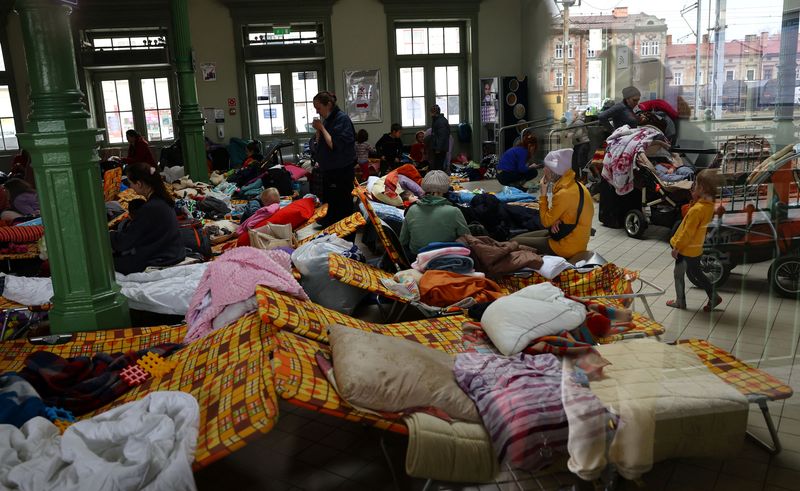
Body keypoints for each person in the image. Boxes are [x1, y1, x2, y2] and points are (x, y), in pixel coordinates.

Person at [512, 148, 593, 258]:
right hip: (575, 239)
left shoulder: (563, 193)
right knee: (522, 236)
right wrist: (558, 219)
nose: (544, 170)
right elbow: (572, 213)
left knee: (515, 241)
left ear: (554, 171)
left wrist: (543, 194)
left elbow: (545, 222)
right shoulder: (578, 186)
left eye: (546, 167)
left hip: (565, 247)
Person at [110, 161, 185, 274]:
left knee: (107, 263)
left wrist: (109, 235)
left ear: (139, 184)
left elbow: (125, 242)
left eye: (131, 183)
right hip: (171, 252)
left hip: (161, 258)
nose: (131, 187)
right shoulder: (161, 201)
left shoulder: (150, 208)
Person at [667, 169, 722, 312]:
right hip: (696, 248)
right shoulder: (708, 206)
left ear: (702, 188)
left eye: (696, 184)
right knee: (698, 274)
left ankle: (680, 302)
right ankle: (713, 296)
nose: (694, 187)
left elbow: (687, 232)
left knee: (678, 275)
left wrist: (677, 248)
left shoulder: (696, 210)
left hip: (685, 249)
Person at [310, 90, 356, 227]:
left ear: (328, 104)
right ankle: (331, 226)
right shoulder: (328, 120)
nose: (318, 112)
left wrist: (322, 128)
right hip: (329, 171)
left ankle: (345, 234)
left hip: (341, 172)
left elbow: (334, 145)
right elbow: (319, 143)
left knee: (342, 205)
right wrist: (319, 130)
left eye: (319, 108)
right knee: (331, 203)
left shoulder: (342, 119)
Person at [400, 170, 468, 258]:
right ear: (445, 188)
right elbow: (467, 238)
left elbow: (403, 240)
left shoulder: (412, 210)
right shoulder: (454, 211)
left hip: (417, 258)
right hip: (446, 258)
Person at [429, 105, 450, 171]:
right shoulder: (437, 120)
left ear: (434, 112)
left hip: (440, 148)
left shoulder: (440, 121)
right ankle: (438, 179)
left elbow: (442, 136)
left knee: (439, 165)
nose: (430, 114)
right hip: (438, 146)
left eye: (431, 112)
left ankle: (439, 180)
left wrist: (438, 148)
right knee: (438, 165)